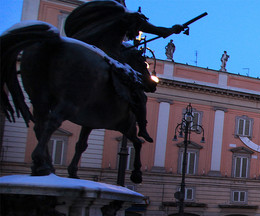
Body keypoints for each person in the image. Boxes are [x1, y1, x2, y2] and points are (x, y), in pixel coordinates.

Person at [63, 0, 185, 144]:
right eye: (136, 31)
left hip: (93, 52)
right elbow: (160, 31)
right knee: (140, 94)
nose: (135, 35)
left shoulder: (104, 14)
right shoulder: (127, 17)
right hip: (112, 58)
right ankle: (143, 128)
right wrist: (174, 29)